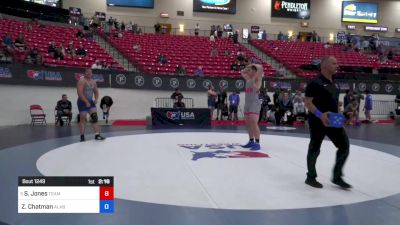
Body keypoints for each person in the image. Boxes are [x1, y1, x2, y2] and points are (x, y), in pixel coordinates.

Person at [304, 56, 351, 189]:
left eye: (337, 63)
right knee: (315, 148)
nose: (337, 65)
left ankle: (337, 177)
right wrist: (320, 115)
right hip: (318, 120)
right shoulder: (315, 82)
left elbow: (333, 102)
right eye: (334, 63)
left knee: (344, 146)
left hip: (333, 120)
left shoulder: (334, 82)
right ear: (324, 65)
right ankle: (310, 177)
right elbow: (307, 102)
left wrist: (342, 114)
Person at [76, 68, 106, 142]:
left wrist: (96, 99)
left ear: (92, 73)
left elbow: (96, 92)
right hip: (82, 102)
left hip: (90, 102)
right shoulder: (81, 81)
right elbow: (79, 93)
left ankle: (97, 135)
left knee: (94, 117)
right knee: (83, 119)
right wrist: (86, 101)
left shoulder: (93, 82)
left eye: (90, 72)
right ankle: (82, 136)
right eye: (87, 72)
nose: (89, 74)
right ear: (85, 73)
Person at [241, 64, 263, 151]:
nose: (247, 71)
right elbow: (242, 72)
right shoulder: (248, 80)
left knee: (253, 123)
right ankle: (251, 141)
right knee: (248, 124)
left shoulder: (257, 79)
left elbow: (260, 67)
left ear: (254, 71)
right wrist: (247, 68)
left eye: (249, 70)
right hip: (247, 104)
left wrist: (250, 65)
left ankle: (257, 143)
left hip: (254, 104)